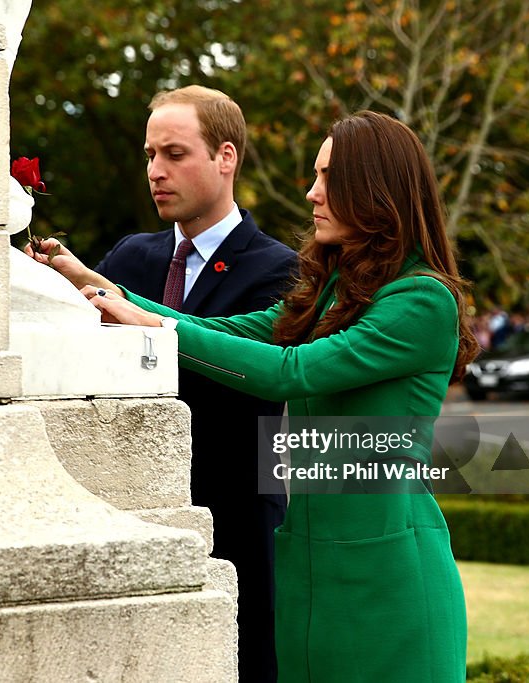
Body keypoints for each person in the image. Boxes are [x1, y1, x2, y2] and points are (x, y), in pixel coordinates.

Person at [34, 110, 477, 682]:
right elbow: (230, 331)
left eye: (327, 177)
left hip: (390, 578)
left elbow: (287, 372)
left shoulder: (421, 301)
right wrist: (100, 289)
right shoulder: (339, 288)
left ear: (374, 189)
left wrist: (152, 328)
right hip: (311, 567)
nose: (312, 193)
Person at [27, 85, 296, 682]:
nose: (156, 171)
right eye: (150, 155)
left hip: (236, 520)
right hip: (124, 512)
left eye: (174, 154)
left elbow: (244, 376)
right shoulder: (127, 257)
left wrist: (127, 308)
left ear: (226, 157)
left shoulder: (278, 268)